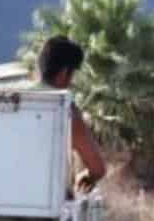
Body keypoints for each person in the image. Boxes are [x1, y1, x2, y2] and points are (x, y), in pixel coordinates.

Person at [35, 35, 108, 189]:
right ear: (64, 72)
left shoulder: (10, 101)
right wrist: (83, 179)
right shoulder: (66, 111)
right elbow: (97, 169)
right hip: (50, 207)